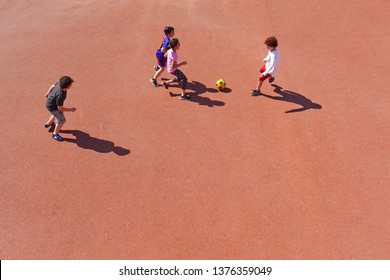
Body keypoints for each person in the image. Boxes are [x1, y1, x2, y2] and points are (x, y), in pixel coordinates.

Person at [44, 76, 77, 142]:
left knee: (56, 114)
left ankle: (48, 124)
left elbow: (53, 86)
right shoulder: (60, 95)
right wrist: (71, 109)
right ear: (67, 87)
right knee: (61, 120)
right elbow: (60, 108)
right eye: (70, 84)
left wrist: (48, 93)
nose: (71, 85)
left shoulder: (59, 83)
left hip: (49, 103)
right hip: (53, 107)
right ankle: (54, 134)